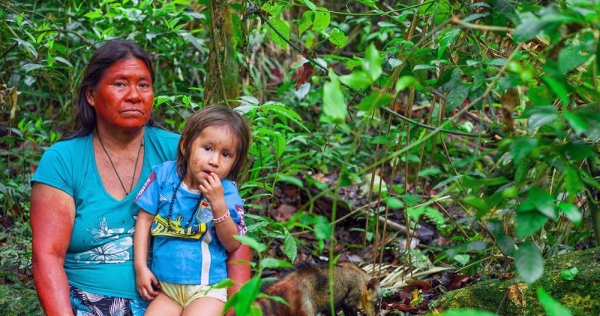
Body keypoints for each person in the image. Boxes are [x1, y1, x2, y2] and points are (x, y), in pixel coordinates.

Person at [30, 39, 250, 316]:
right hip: (87, 305)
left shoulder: (188, 154)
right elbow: (46, 257)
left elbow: (236, 240)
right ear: (91, 95)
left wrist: (235, 309)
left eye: (143, 85)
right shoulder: (63, 160)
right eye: (120, 84)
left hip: (179, 300)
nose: (135, 95)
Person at [133, 105, 251, 315]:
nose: (214, 161)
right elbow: (144, 219)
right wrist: (141, 267)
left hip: (207, 289)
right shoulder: (164, 176)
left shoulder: (227, 192)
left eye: (226, 154)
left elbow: (233, 243)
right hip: (166, 290)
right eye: (207, 148)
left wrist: (218, 205)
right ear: (186, 145)